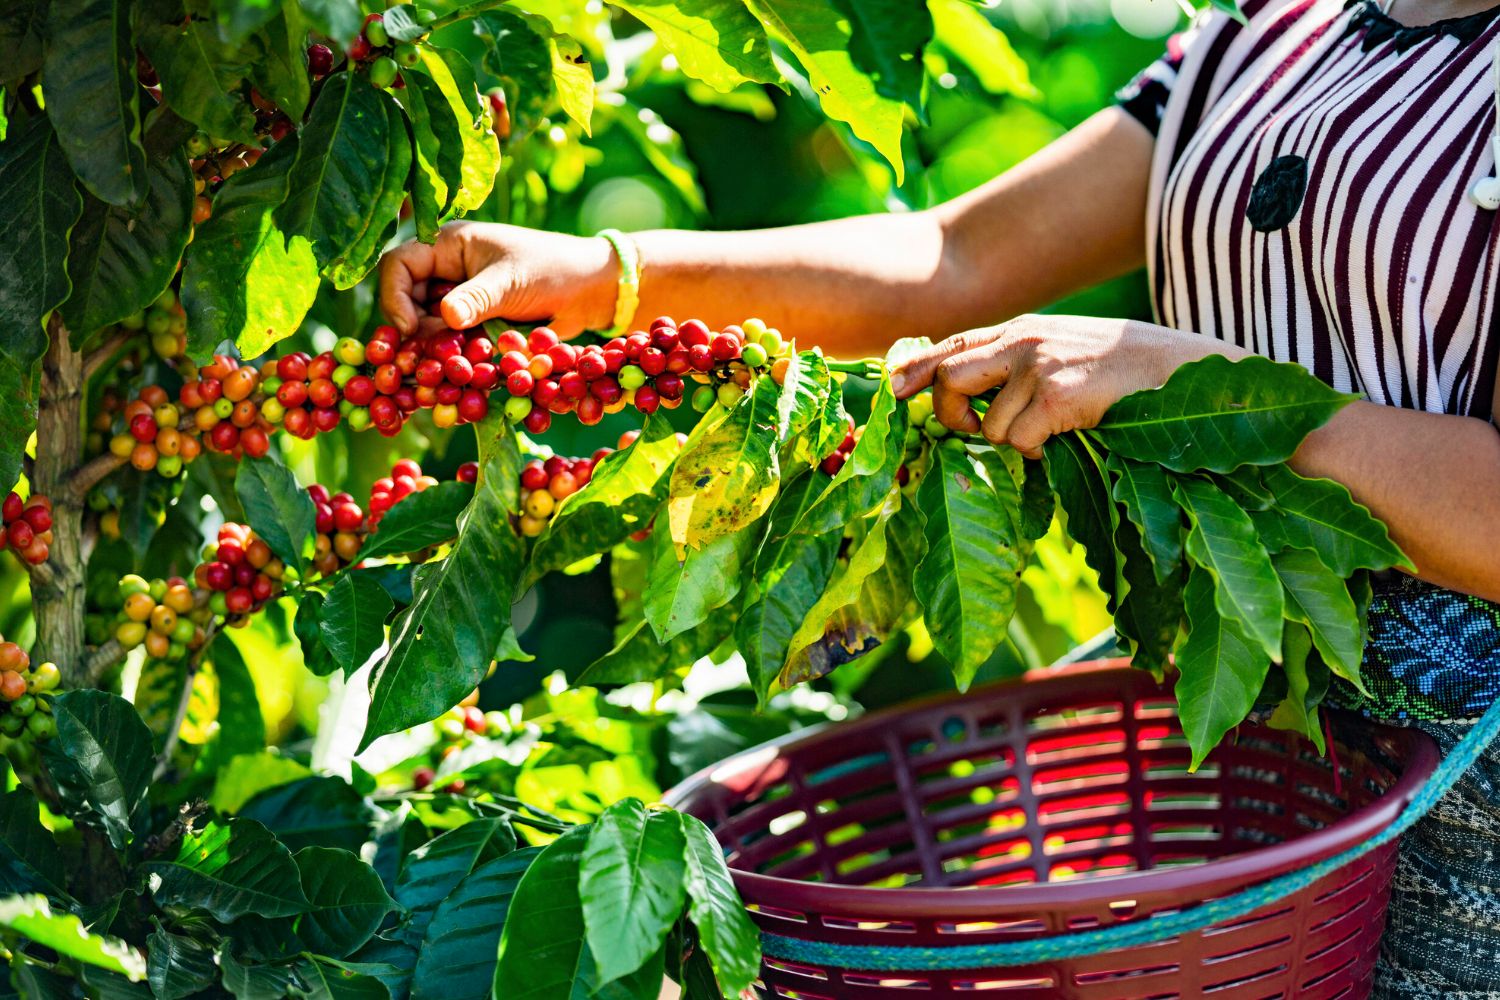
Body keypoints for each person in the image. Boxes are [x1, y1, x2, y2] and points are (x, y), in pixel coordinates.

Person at [379, 0, 1500, 993]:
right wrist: (602, 275)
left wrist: (1178, 384)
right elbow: (956, 257)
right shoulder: (1272, 31)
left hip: (1459, 826)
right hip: (1205, 756)